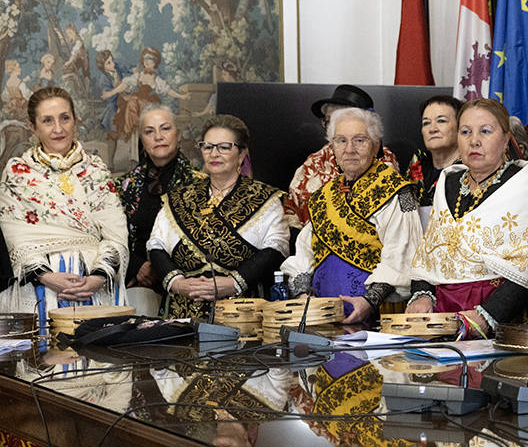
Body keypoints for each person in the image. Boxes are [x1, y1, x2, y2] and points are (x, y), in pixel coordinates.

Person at [407, 98, 528, 337]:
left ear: (506, 139)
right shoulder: (448, 182)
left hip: (499, 316)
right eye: (466, 132)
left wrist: (488, 315)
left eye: (485, 131)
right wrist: (423, 294)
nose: (474, 140)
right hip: (443, 314)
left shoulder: (523, 183)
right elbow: (429, 252)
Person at [280, 107, 422, 324]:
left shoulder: (396, 192)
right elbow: (304, 252)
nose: (349, 149)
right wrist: (303, 295)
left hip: (376, 314)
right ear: (332, 147)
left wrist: (368, 302)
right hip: (321, 317)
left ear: (376, 146)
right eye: (341, 141)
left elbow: (402, 255)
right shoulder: (322, 196)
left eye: (359, 140)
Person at [0, 87, 128, 317]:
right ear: (33, 127)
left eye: (64, 118)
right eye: (47, 120)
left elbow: (115, 231)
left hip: (94, 289)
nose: (58, 129)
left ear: (75, 121)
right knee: (42, 351)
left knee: (96, 351)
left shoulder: (96, 169)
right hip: (39, 291)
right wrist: (46, 276)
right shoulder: (18, 172)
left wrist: (98, 277)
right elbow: (13, 236)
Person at [147, 114, 289, 318]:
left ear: (241, 154)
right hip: (181, 313)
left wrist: (232, 283)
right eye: (208, 146)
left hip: (242, 314)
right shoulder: (180, 197)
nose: (214, 154)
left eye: (224, 147)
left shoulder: (265, 198)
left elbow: (277, 247)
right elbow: (156, 245)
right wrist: (177, 283)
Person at [284, 84, 399, 230]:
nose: (334, 127)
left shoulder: (383, 159)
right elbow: (291, 208)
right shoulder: (314, 161)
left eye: (341, 119)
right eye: (328, 121)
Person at [116, 104, 202, 288]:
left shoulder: (200, 184)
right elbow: (111, 236)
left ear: (178, 134)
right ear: (142, 139)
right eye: (149, 131)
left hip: (187, 285)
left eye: (165, 128)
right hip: (136, 284)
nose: (158, 137)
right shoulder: (124, 186)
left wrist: (163, 269)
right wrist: (137, 266)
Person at [405, 95, 462, 214]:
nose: (432, 129)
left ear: (460, 127)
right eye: (426, 123)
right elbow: (404, 212)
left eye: (441, 121)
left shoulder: (471, 171)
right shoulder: (416, 166)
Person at [95, 50, 126, 170]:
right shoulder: (104, 79)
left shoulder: (116, 69)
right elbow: (110, 97)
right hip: (113, 107)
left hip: (124, 103)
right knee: (112, 136)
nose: (112, 64)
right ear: (103, 67)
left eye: (112, 60)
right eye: (108, 63)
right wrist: (120, 88)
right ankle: (111, 163)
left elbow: (127, 69)